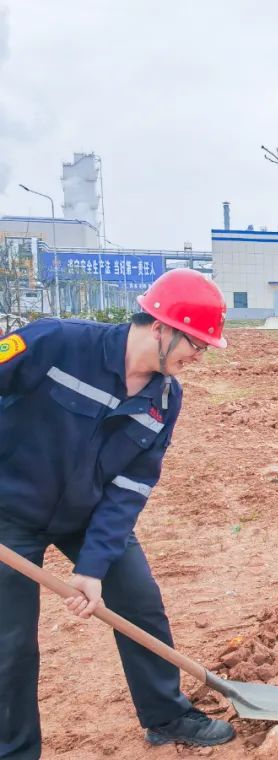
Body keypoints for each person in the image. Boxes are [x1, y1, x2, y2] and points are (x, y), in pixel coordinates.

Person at [0, 269, 235, 758]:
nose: (199, 355)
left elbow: (131, 486)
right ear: (161, 326)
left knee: (140, 602)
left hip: (88, 516)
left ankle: (165, 715)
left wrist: (92, 566)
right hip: (10, 512)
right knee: (10, 644)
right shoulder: (53, 343)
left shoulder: (164, 399)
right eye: (196, 343)